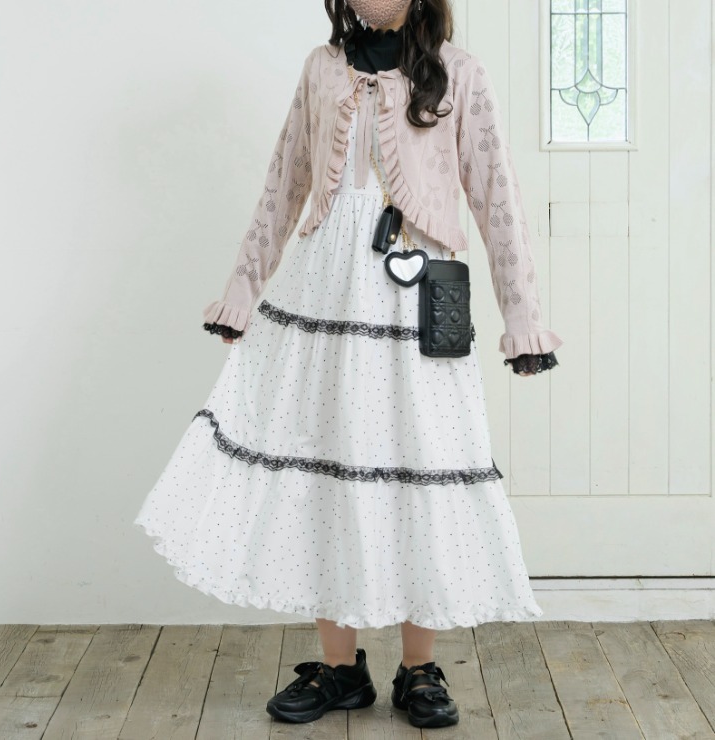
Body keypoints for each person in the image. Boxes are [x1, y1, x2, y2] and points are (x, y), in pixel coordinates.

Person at [133, 0, 563, 729]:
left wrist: (523, 318)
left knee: (424, 461)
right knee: (326, 464)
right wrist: (242, 288)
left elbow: (498, 197)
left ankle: (419, 668)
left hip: (419, 293)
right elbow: (284, 181)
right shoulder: (322, 69)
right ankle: (340, 669)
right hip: (324, 292)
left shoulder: (460, 73)